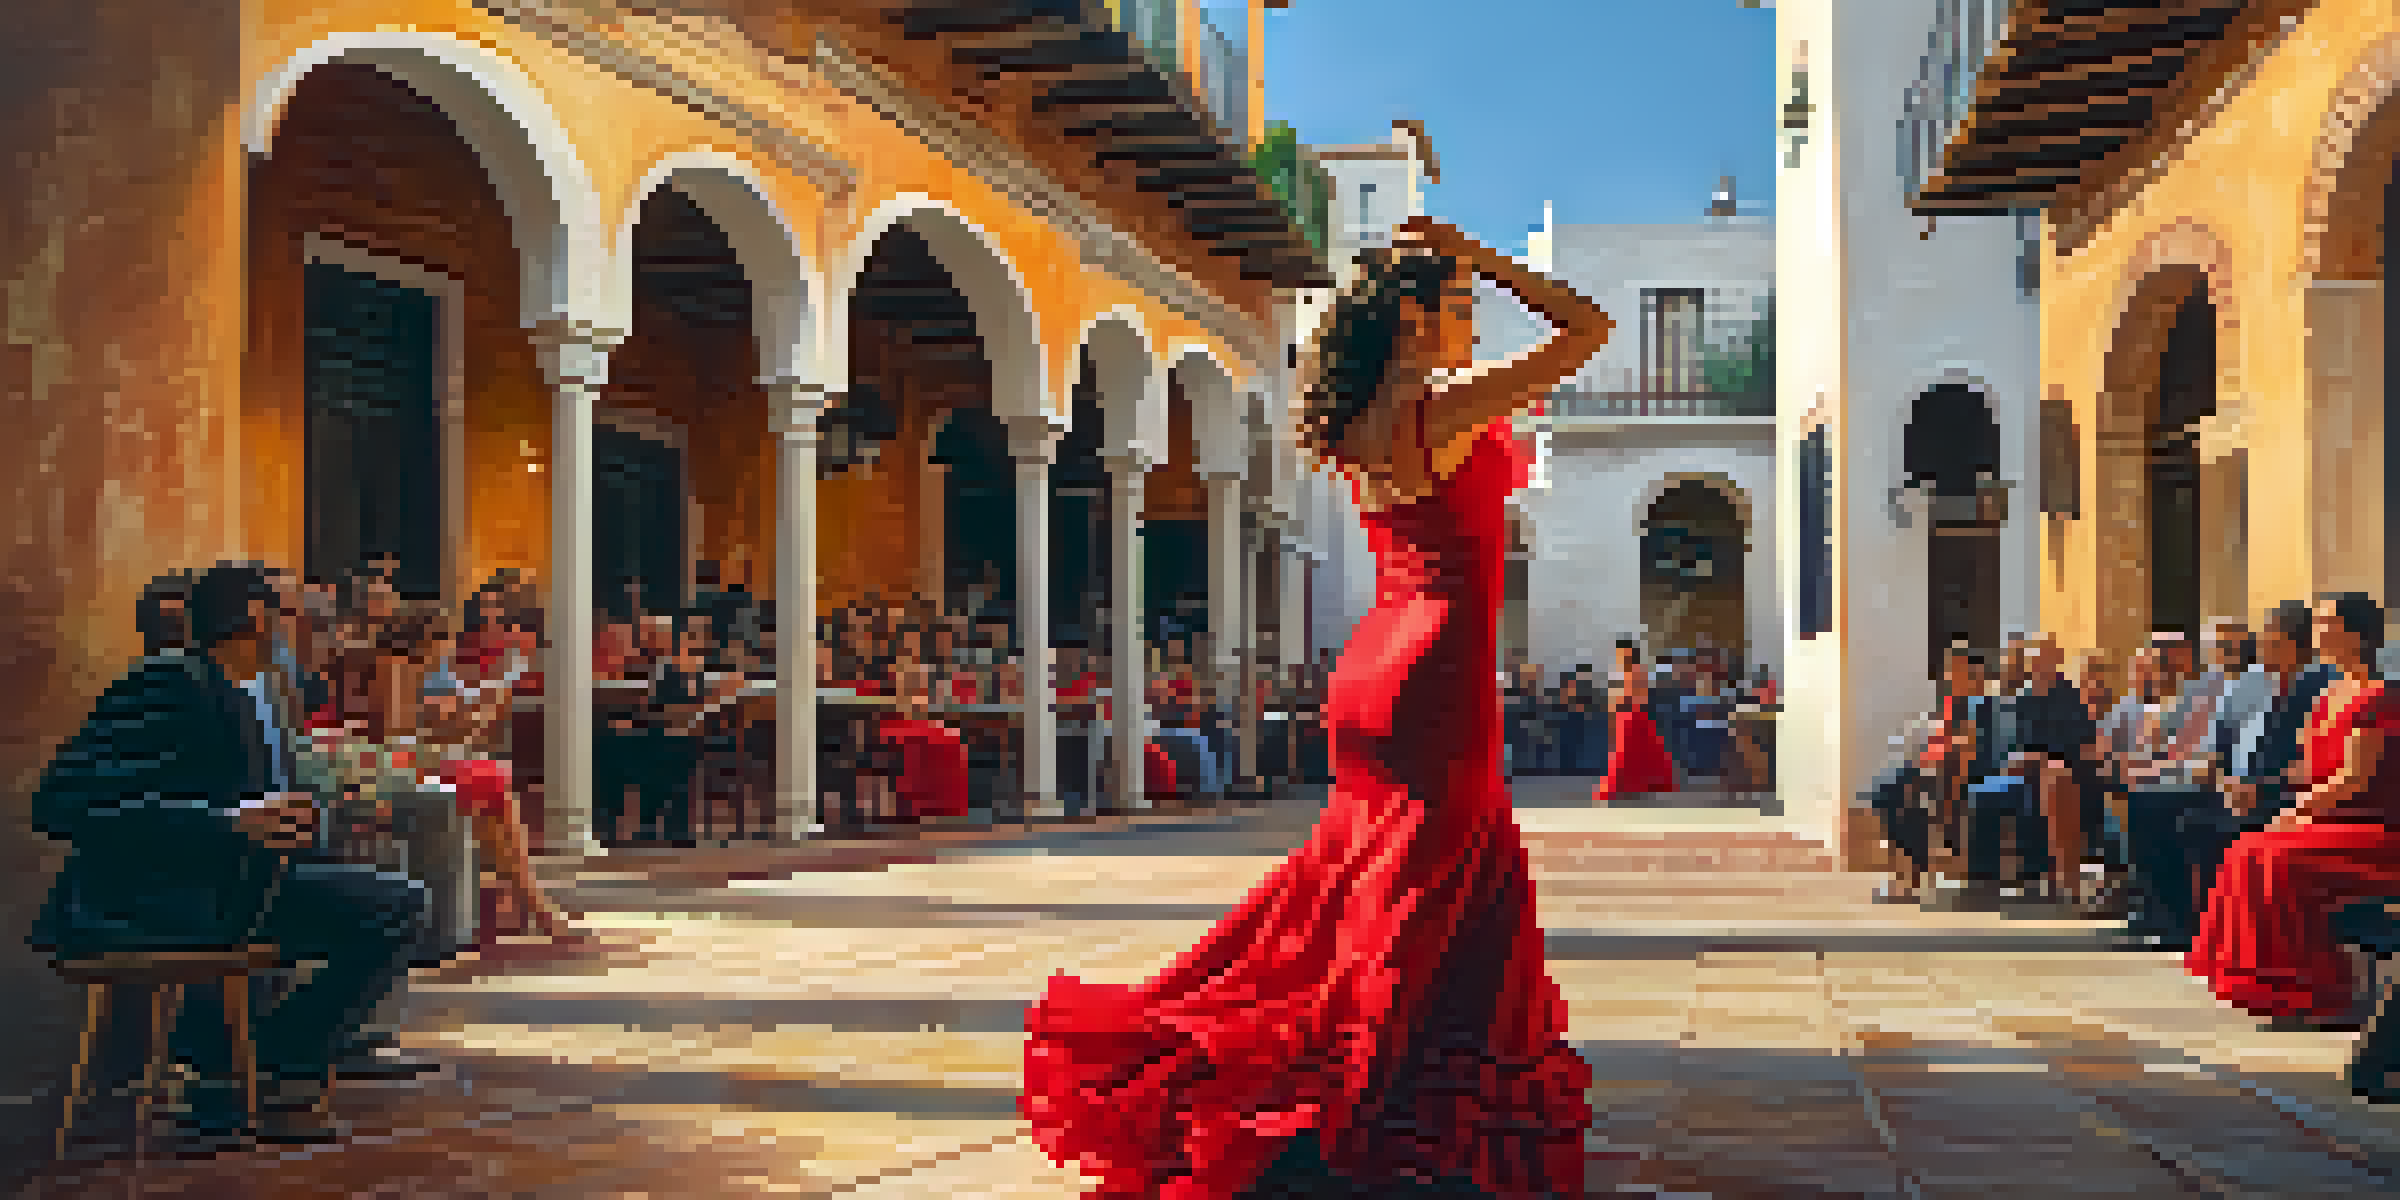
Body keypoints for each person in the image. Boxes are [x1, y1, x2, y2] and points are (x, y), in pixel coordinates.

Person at [1022, 216, 1609, 1198]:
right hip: (1437, 673)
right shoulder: (1447, 400)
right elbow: (1586, 329)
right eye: (1457, 306)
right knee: (1423, 898)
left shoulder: (1362, 414)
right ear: (1414, 321)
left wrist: (1459, 274)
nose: (1472, 323)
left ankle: (1371, 1104)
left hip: (1375, 662)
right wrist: (1499, 258)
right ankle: (1362, 1114)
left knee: (1363, 887)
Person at [31, 562, 429, 1149]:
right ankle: (273, 1060)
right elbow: (62, 803)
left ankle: (262, 1063)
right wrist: (230, 822)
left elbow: (252, 793)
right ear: (258, 620)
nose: (314, 631)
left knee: (396, 898)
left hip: (227, 886)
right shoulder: (164, 684)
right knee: (398, 906)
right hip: (154, 902)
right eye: (298, 616)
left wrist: (299, 815)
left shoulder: (247, 690)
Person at [2189, 592, 2400, 1029]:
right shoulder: (2329, 694)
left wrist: (2297, 810)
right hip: (2330, 819)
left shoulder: (2380, 696)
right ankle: (2279, 990)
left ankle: (2325, 993)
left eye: (2327, 623)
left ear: (2355, 633)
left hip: (2375, 828)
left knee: (2273, 859)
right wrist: (2257, 788)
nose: (2318, 632)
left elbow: (2354, 780)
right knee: (2246, 850)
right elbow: (2307, 767)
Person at [1594, 640, 1678, 802]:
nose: (1620, 658)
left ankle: (1626, 788)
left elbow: (1637, 698)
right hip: (1626, 718)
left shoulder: (1637, 672)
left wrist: (1619, 701)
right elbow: (1615, 701)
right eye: (1619, 654)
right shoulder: (1620, 674)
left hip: (1634, 719)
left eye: (1623, 654)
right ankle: (1631, 788)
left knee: (1628, 755)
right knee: (1628, 755)